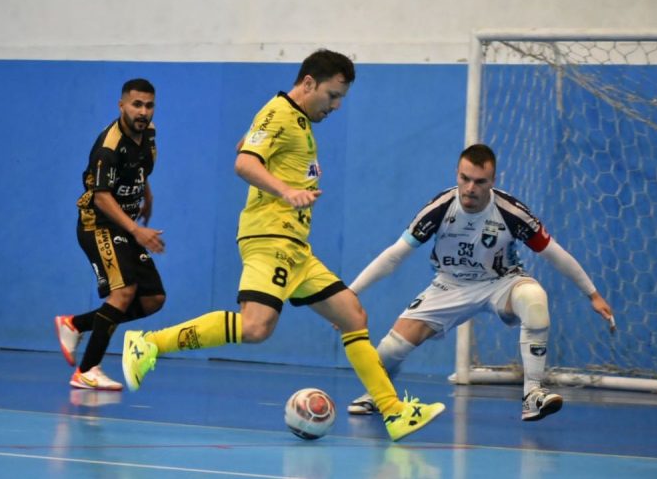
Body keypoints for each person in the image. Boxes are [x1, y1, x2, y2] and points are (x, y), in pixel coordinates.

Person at [121, 49, 445, 441]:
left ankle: (393, 412)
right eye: (332, 95)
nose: (337, 105)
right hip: (270, 237)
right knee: (256, 327)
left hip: (296, 249)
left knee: (353, 316)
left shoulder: (294, 120)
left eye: (341, 98)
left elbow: (249, 143)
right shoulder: (280, 112)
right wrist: (286, 190)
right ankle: (148, 343)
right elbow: (244, 162)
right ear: (308, 83)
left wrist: (264, 155)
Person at [344, 143, 615, 421]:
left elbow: (554, 254)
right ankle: (379, 395)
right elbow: (394, 256)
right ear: (457, 174)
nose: (470, 188)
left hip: (501, 283)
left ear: (492, 182)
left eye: (479, 181)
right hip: (449, 285)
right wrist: (350, 293)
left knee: (534, 299)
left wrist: (592, 293)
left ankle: (533, 394)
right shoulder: (440, 209)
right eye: (465, 178)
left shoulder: (511, 213)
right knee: (391, 349)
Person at [54, 78, 167, 391]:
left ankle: (76, 325)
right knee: (124, 291)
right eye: (136, 105)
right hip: (97, 224)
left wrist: (148, 194)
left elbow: (141, 168)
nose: (143, 111)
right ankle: (87, 371)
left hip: (124, 224)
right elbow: (102, 197)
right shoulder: (109, 147)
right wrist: (137, 230)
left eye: (149, 105)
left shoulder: (150, 133)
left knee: (154, 298)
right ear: (121, 106)